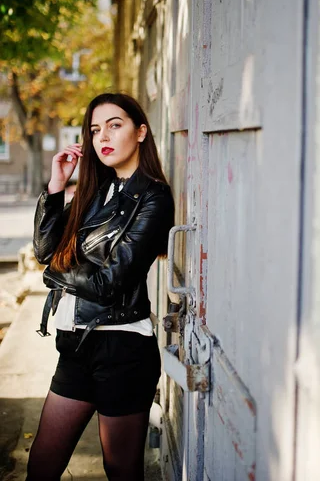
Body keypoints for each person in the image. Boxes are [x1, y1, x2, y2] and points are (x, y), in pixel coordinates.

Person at [27, 92, 174, 481]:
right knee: (41, 464)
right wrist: (57, 186)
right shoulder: (95, 191)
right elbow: (45, 249)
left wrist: (55, 274)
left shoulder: (153, 197)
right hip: (76, 346)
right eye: (95, 129)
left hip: (122, 349)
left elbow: (110, 282)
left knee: (121, 471)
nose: (103, 136)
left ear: (141, 132)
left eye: (115, 125)